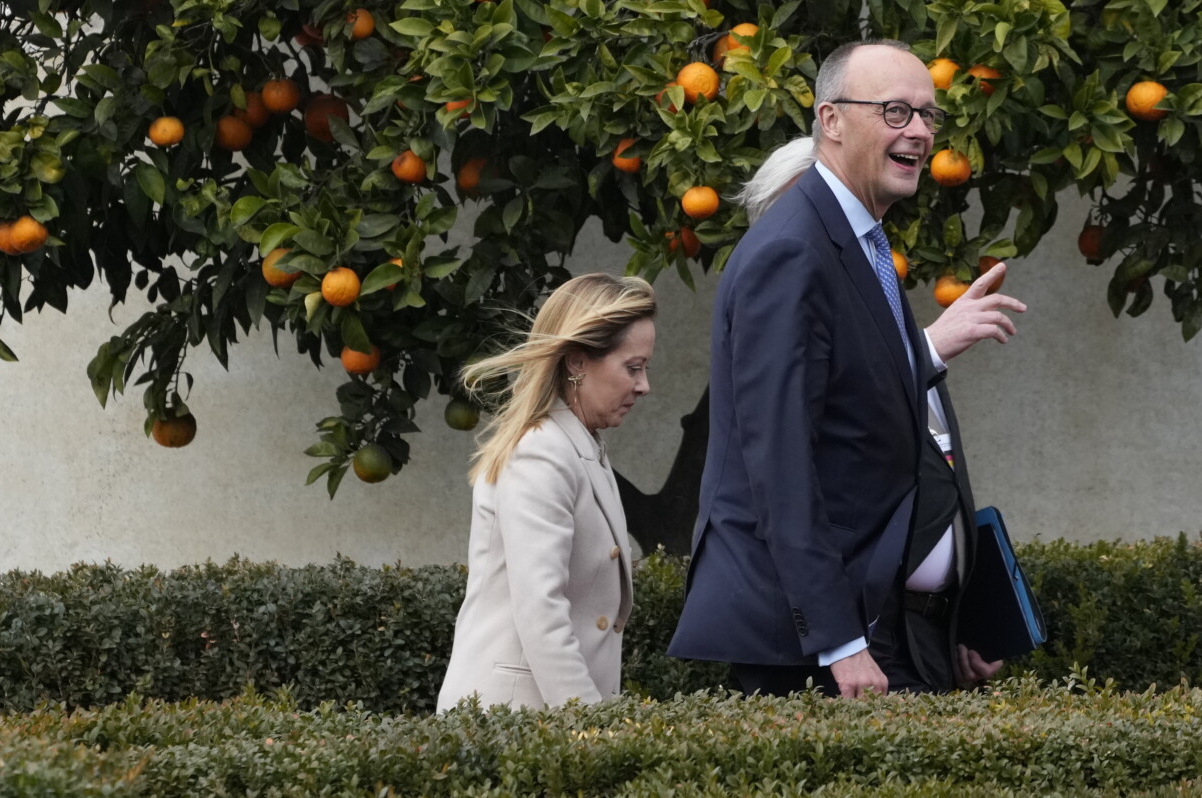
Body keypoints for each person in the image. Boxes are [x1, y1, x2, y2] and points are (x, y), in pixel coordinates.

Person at [668, 39, 1027, 697]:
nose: (919, 130)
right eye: (895, 111)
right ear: (830, 120)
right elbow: (779, 459)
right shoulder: (793, 250)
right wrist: (840, 640)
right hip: (816, 647)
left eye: (927, 115)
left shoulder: (857, 240)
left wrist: (944, 623)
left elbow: (865, 429)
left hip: (876, 627)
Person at [437, 272, 655, 710]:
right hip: (511, 720)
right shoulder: (542, 452)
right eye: (632, 368)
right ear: (577, 362)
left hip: (540, 719)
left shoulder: (578, 445)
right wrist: (589, 726)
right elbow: (542, 612)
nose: (643, 385)